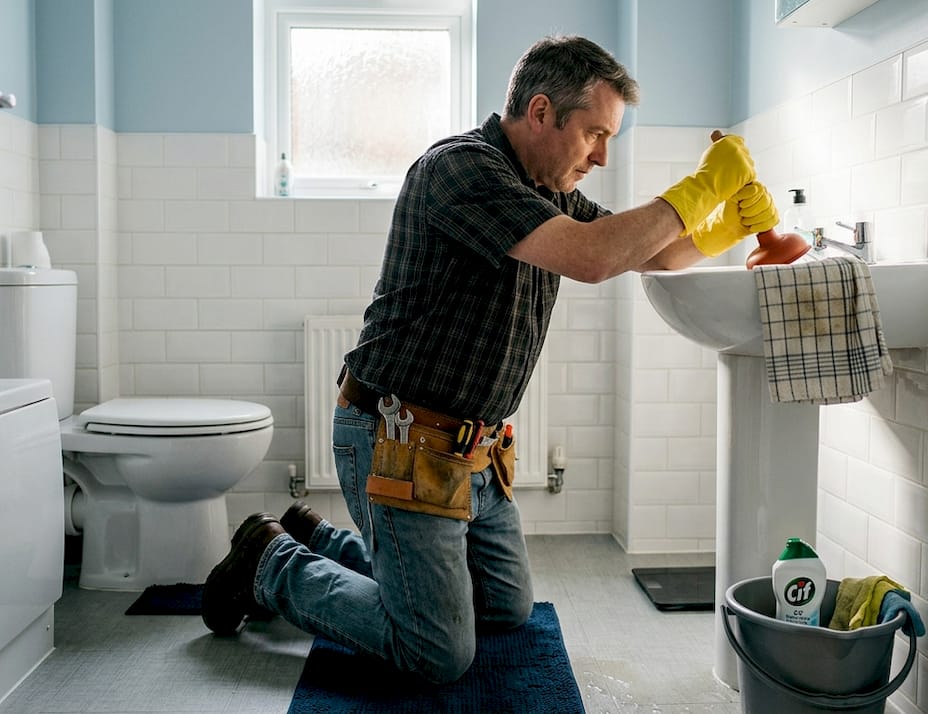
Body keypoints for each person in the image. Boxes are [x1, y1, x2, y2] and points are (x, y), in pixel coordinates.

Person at [201, 34, 779, 684]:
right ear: (541, 111)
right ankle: (270, 562)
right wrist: (704, 185)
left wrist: (728, 226)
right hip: (398, 440)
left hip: (473, 451)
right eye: (594, 133)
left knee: (504, 609)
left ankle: (318, 538)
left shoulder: (550, 190)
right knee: (436, 650)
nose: (602, 155)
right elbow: (594, 258)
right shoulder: (461, 169)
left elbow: (649, 252)